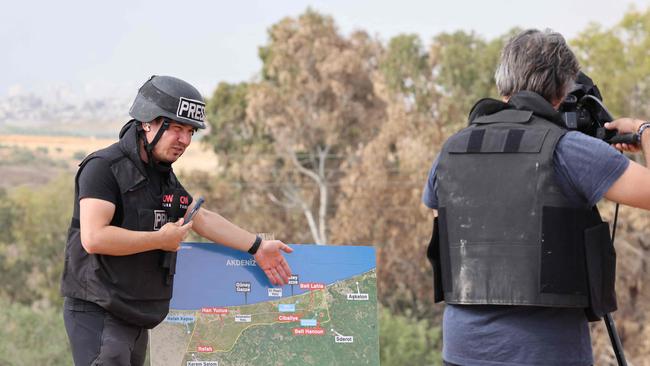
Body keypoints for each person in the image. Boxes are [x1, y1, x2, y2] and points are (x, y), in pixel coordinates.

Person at [423, 29, 650, 365]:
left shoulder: (452, 149)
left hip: (462, 352)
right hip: (546, 355)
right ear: (563, 87)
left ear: (504, 83)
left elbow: (437, 218)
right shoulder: (570, 151)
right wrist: (643, 130)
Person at [60, 75, 293, 365]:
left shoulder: (162, 177)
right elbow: (94, 238)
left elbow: (199, 217)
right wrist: (159, 240)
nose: (185, 140)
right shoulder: (103, 168)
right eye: (177, 129)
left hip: (134, 315)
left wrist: (257, 246)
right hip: (99, 311)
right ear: (148, 122)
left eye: (191, 131)